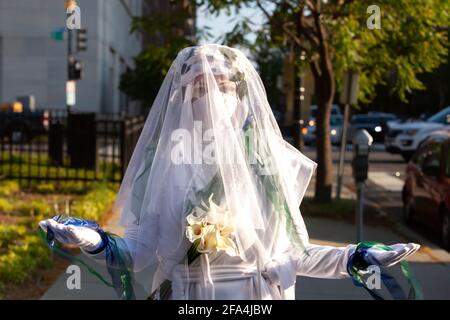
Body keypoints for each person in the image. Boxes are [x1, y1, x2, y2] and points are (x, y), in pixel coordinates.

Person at [39, 44, 420, 300]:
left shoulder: (272, 163)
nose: (211, 98)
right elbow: (138, 253)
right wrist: (94, 240)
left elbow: (293, 254)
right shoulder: (160, 166)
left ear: (240, 95)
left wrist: (353, 257)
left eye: (221, 86)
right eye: (199, 88)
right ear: (182, 98)